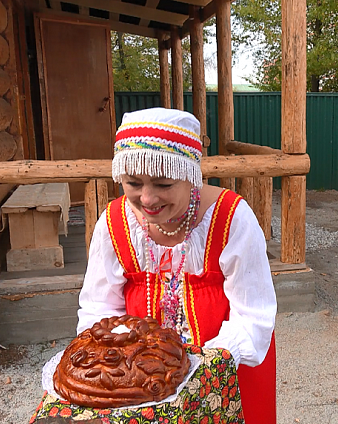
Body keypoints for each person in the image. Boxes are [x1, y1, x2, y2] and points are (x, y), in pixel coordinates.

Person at [77, 107, 277, 423]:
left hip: (225, 374)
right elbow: (99, 308)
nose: (147, 198)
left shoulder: (231, 219)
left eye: (163, 184)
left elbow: (254, 315)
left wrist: (199, 369)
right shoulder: (114, 223)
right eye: (132, 183)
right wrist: (125, 366)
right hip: (140, 382)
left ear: (190, 175)